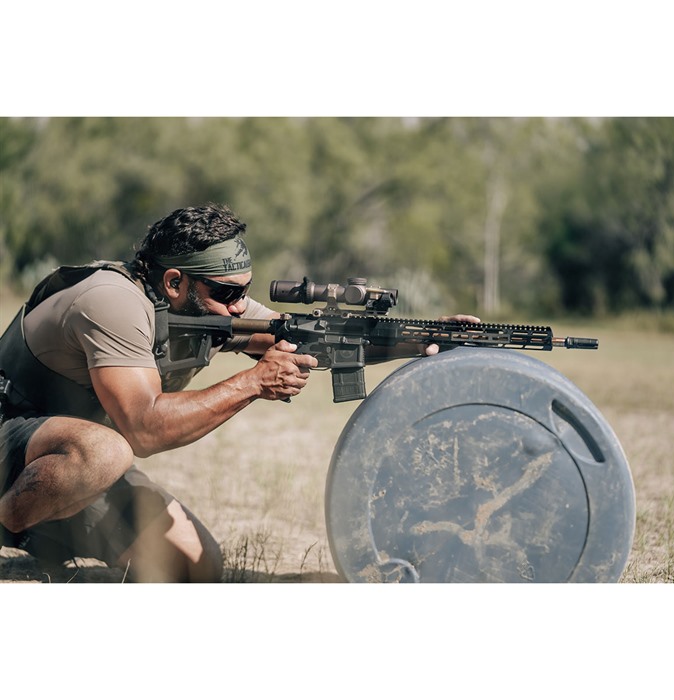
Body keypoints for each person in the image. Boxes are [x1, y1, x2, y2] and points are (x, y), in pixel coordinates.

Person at [0, 203, 478, 582]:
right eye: (228, 294)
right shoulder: (112, 302)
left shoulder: (204, 305)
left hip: (60, 462)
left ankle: (35, 527)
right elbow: (143, 429)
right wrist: (253, 382)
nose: (239, 307)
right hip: (16, 430)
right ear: (174, 281)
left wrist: (420, 339)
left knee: (195, 565)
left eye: (243, 292)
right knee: (107, 451)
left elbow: (314, 341)